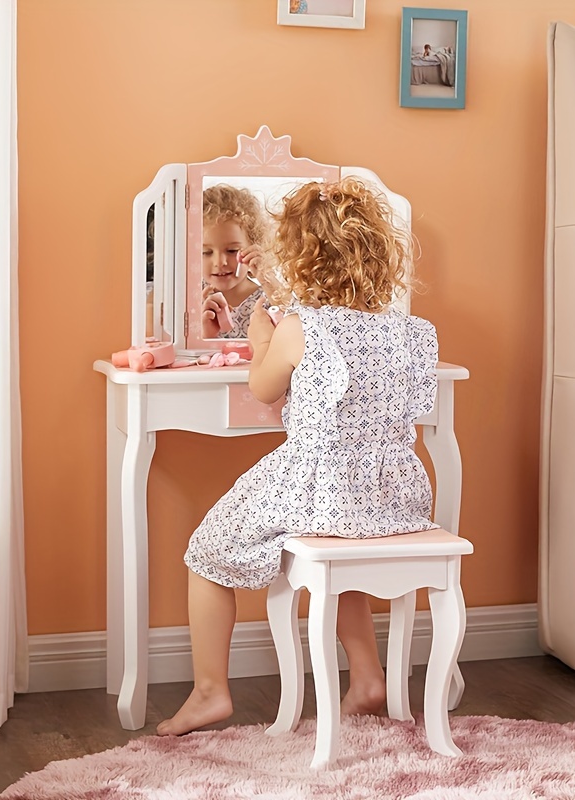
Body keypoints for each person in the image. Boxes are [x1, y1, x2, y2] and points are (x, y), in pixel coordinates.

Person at [157, 177, 439, 737]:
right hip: (392, 494)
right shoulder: (411, 331)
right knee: (343, 547)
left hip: (319, 482)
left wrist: (261, 335)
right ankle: (367, 676)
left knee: (205, 550)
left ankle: (211, 690)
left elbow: (264, 388)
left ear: (300, 261)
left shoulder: (297, 328)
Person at [201, 184, 276, 339]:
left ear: (255, 245)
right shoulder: (188, 300)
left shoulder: (268, 299)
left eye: (232, 251)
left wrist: (270, 283)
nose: (219, 262)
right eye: (206, 252)